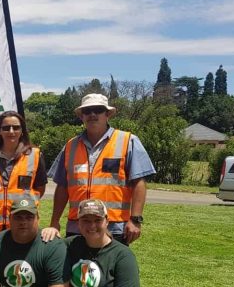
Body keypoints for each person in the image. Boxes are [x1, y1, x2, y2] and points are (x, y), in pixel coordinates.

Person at [42, 93, 155, 245]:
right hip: (77, 227)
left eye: (98, 110)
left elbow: (139, 182)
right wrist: (54, 221)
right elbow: (62, 186)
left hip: (114, 227)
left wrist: (135, 220)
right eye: (87, 111)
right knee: (76, 269)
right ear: (82, 116)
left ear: (107, 114)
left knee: (111, 269)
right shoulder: (71, 146)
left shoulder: (128, 141)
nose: (92, 114)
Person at [0, 111, 46, 246]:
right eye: (6, 128)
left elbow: (40, 189)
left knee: (19, 266)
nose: (11, 131)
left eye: (16, 127)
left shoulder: (35, 155)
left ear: (22, 131)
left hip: (23, 224)